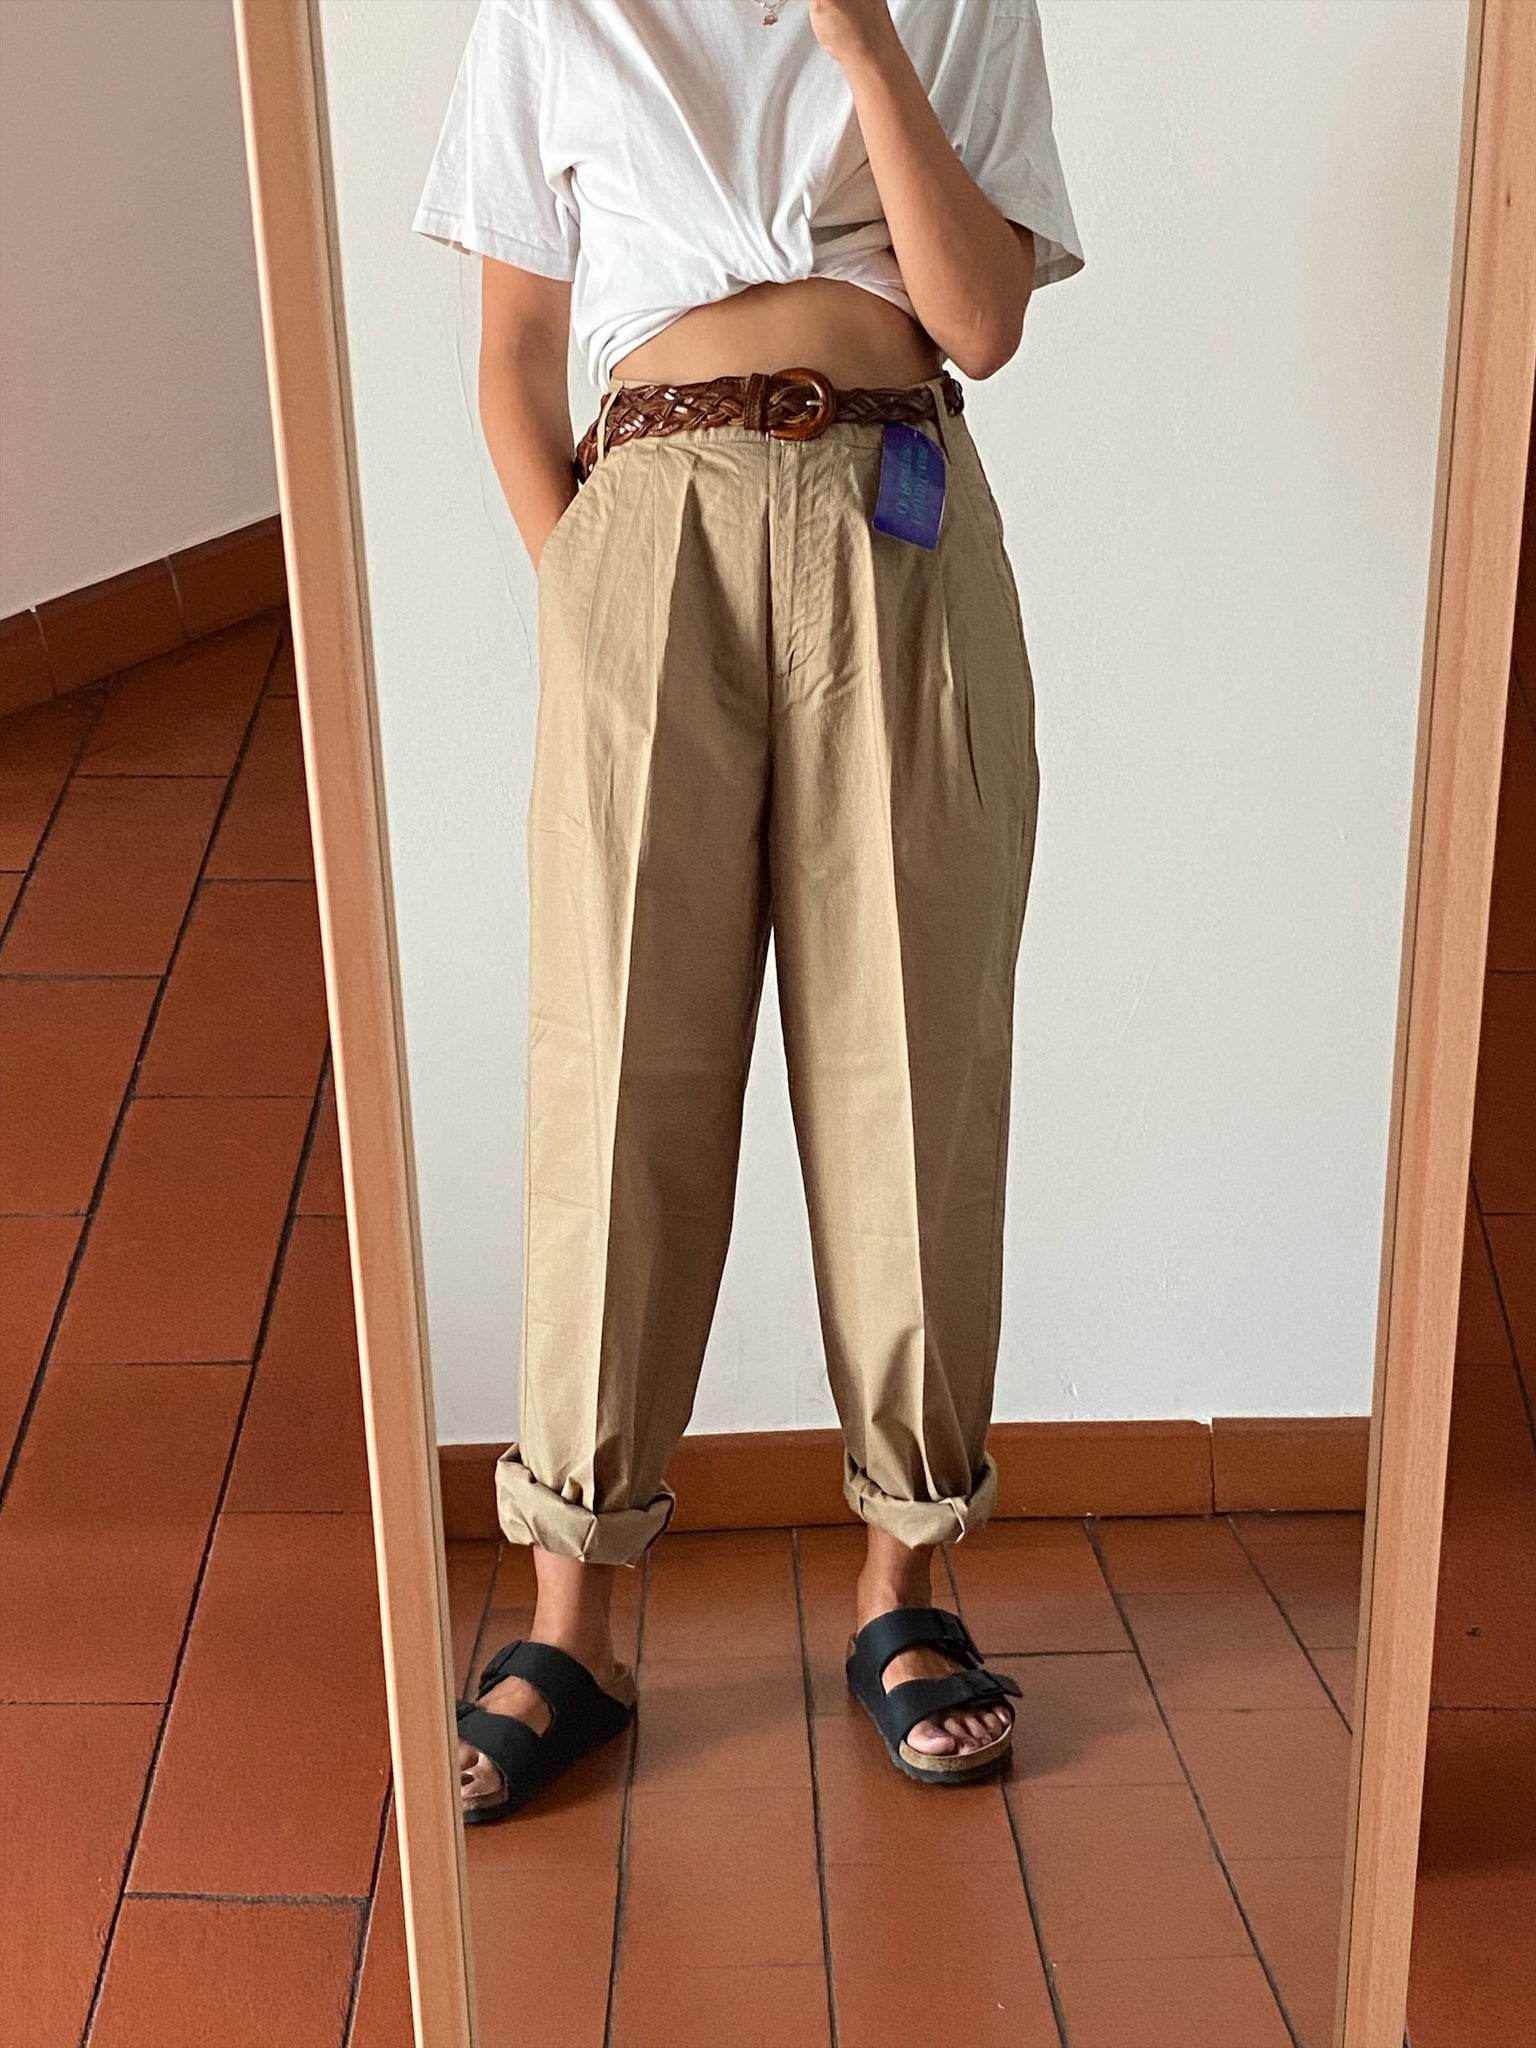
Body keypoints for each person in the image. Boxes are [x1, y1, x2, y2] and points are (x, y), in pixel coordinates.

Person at [411, 0, 1083, 1821]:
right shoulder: (550, 8)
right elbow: (515, 348)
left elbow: (984, 321)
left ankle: (908, 1584)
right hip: (651, 521)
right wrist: (592, 587)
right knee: (616, 1070)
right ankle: (572, 1616)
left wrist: (863, 43)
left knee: (912, 1057)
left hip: (898, 515)